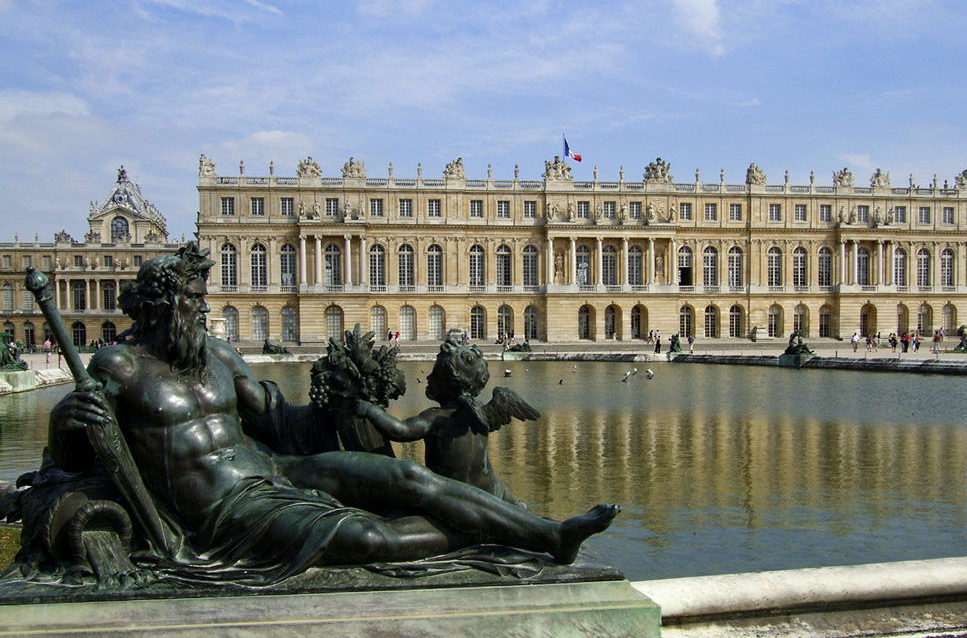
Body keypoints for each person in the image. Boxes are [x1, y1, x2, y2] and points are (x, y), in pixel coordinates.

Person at [50, 243, 618, 580]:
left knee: (406, 475)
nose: (204, 306)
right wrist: (65, 418)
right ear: (164, 304)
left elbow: (279, 420)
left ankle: (550, 534)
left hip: (272, 472)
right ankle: (480, 533)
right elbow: (79, 455)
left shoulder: (218, 355)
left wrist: (340, 403)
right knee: (368, 538)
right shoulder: (117, 367)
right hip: (221, 509)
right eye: (195, 298)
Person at [354, 333, 538, 507]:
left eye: (434, 376)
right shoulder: (480, 411)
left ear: (449, 382)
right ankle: (516, 507)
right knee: (501, 491)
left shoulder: (436, 417)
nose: (428, 377)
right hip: (490, 490)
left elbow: (400, 431)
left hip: (456, 498)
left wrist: (371, 410)